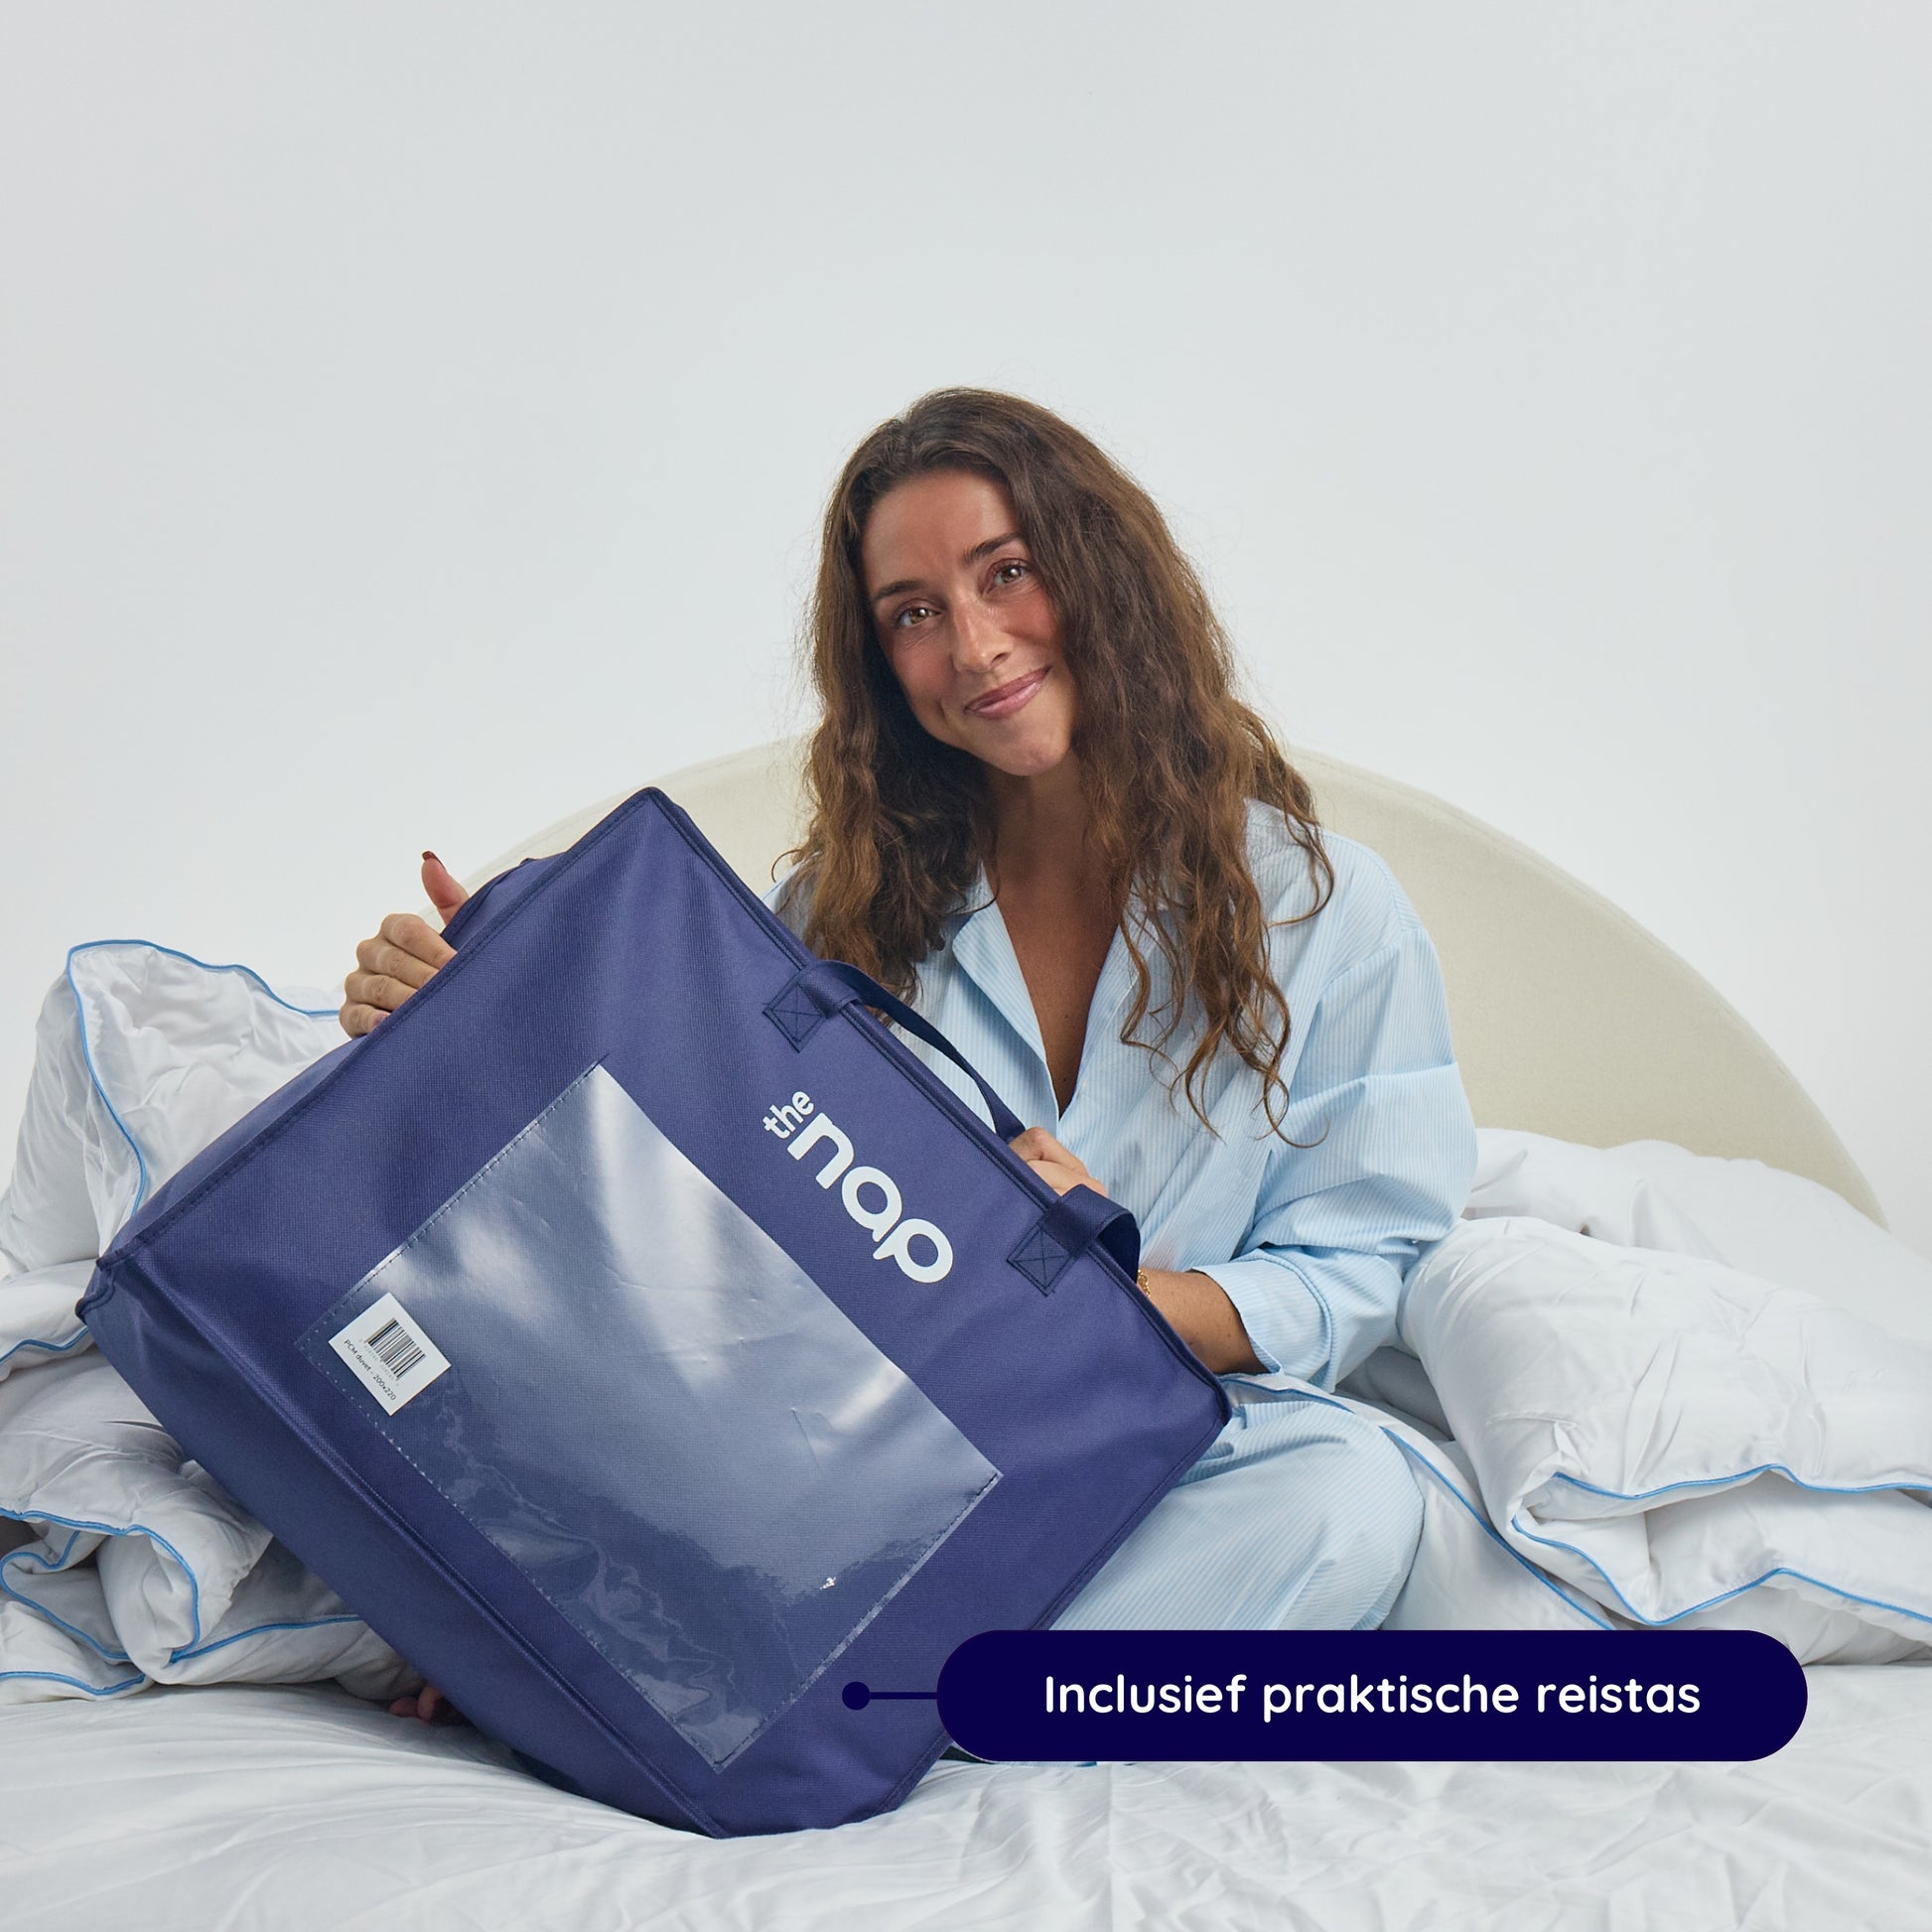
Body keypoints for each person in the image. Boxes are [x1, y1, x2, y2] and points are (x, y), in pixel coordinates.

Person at [342, 389, 1477, 1726]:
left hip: (1140, 1465)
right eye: (914, 613)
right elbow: (677, 1196)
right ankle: (741, 1666)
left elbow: (1362, 1263)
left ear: (1102, 573)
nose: (975, 645)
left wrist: (1106, 1296)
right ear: (881, 662)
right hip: (853, 1462)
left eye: (1007, 572)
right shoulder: (836, 915)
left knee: (1349, 1494)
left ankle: (772, 1689)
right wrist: (473, 1020)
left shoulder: (1327, 915)